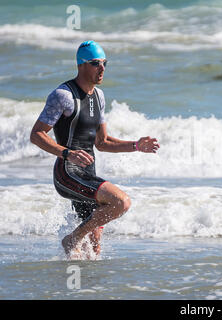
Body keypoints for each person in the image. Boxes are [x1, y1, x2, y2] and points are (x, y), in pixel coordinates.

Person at [30, 40, 159, 259]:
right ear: (81, 65)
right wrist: (66, 153)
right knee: (121, 202)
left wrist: (136, 146)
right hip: (68, 174)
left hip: (87, 176)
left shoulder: (99, 97)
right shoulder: (63, 95)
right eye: (96, 63)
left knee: (94, 250)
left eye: (105, 63)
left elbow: (103, 142)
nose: (102, 69)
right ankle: (71, 238)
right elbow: (37, 134)